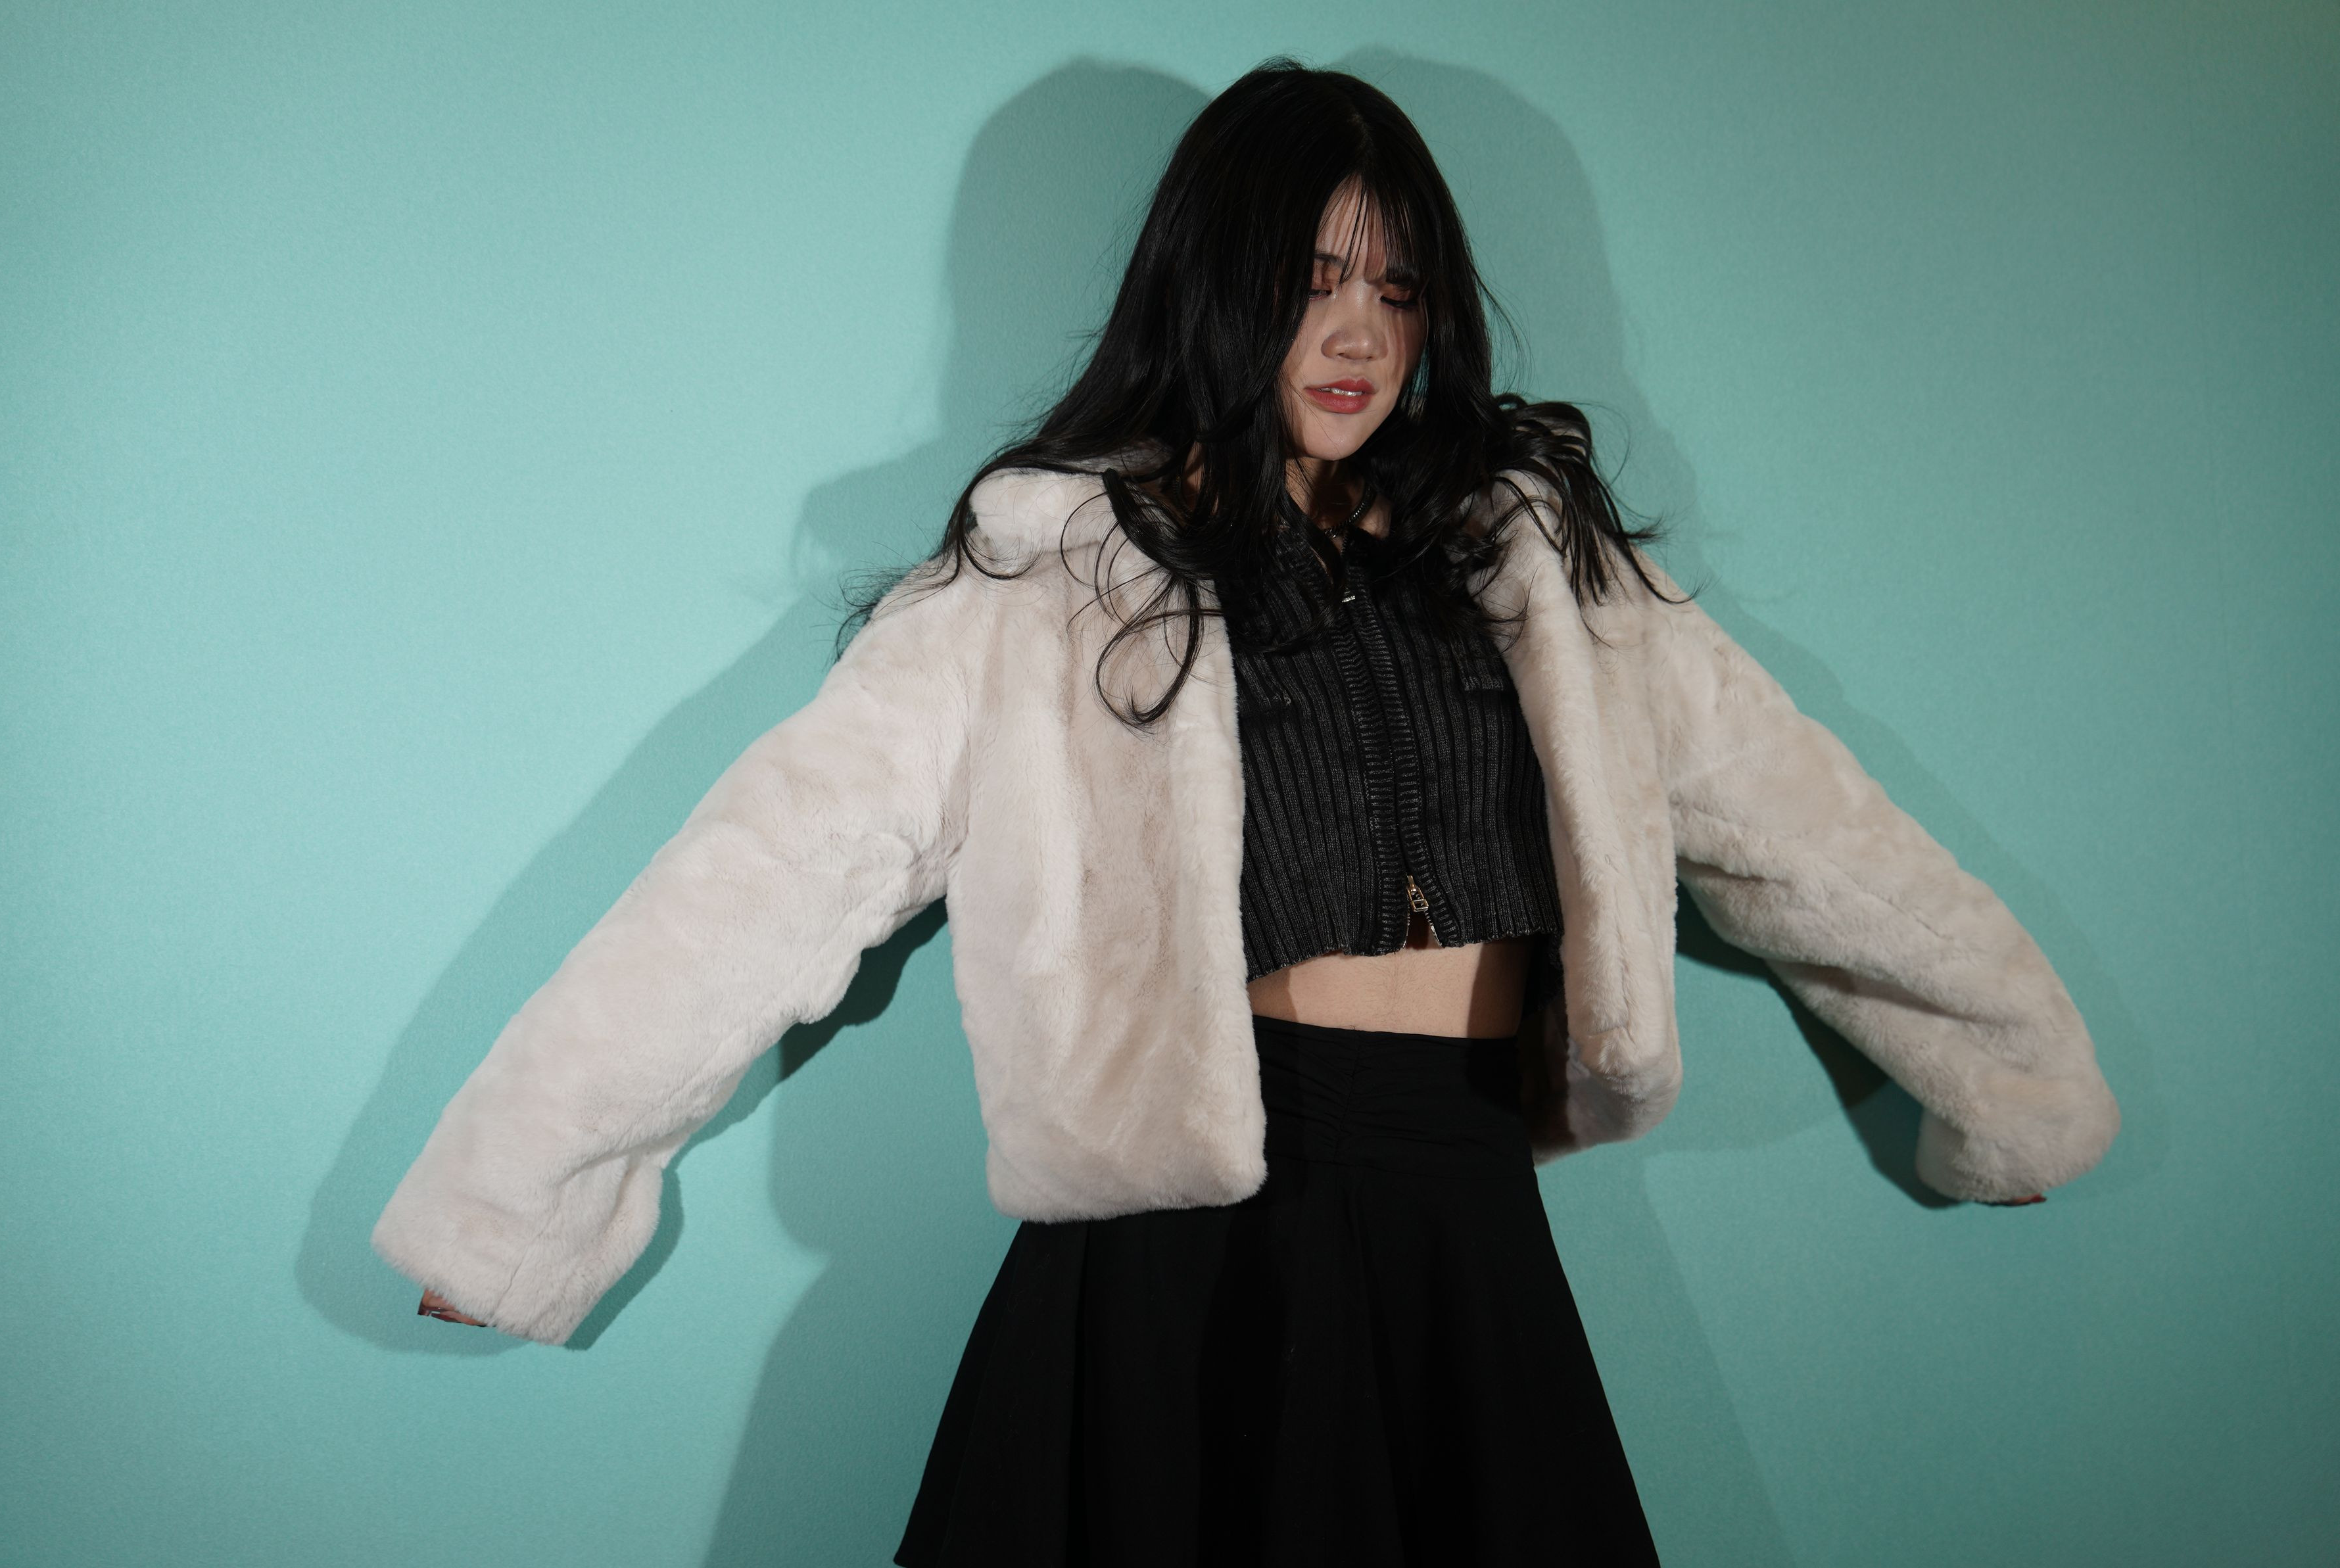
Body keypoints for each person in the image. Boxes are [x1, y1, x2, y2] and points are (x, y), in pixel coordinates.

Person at [377, 59, 2118, 1567]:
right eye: (1310, 280)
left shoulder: (1542, 572)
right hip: (1180, 1275)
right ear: (1216, 288)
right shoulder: (1051, 583)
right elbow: (758, 888)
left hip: (1462, 1245)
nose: (1359, 331)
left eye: (1399, 288)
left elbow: (1807, 836)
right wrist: (510, 1206)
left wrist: (2008, 1076)